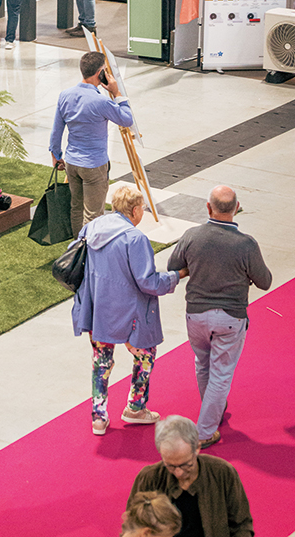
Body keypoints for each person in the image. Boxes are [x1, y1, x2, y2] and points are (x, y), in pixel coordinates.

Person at [73, 184, 184, 434]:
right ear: (134, 210)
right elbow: (148, 282)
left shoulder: (92, 228)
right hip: (130, 312)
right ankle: (135, 406)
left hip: (96, 308)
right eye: (142, 208)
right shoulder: (135, 239)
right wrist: (176, 276)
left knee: (101, 361)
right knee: (145, 355)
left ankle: (98, 417)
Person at [167, 185, 272, 449]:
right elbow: (265, 281)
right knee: (221, 374)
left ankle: (213, 409)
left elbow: (172, 267)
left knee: (203, 365)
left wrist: (199, 266)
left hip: (196, 316)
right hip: (230, 318)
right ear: (237, 208)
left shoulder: (192, 236)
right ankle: (204, 431)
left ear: (208, 207)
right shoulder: (246, 244)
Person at [49, 52, 133, 235]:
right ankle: (89, 254)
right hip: (94, 165)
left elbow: (56, 131)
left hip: (72, 163)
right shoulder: (101, 101)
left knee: (76, 208)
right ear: (100, 72)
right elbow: (127, 119)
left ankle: (77, 248)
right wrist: (116, 92)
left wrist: (56, 156)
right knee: (93, 214)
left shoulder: (65, 95)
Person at [129, 415, 255, 537]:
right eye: (170, 466)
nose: (179, 473)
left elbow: (241, 525)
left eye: (185, 465)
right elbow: (133, 526)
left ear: (197, 448)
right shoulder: (148, 478)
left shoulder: (223, 473)